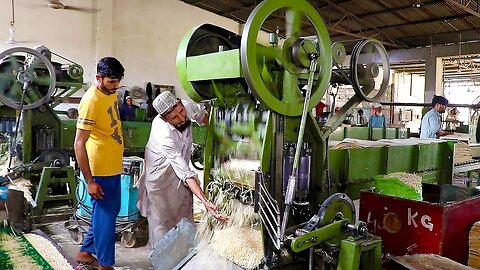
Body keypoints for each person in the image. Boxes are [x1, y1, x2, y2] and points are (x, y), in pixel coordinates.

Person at [136, 91, 227, 246]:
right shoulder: (163, 134)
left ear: (180, 104)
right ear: (165, 119)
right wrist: (205, 201)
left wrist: (222, 136)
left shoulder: (186, 107)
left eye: (181, 112)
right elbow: (186, 173)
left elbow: (203, 117)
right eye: (174, 118)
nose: (181, 118)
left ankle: (185, 256)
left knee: (184, 218)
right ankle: (163, 261)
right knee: (163, 225)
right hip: (160, 179)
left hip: (180, 174)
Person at [74, 57, 125, 270]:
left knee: (106, 212)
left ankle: (86, 252)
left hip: (112, 166)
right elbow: (79, 143)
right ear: (99, 78)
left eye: (119, 81)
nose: (117, 86)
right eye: (112, 81)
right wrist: (89, 181)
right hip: (100, 170)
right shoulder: (91, 101)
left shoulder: (110, 93)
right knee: (106, 218)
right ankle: (105, 265)